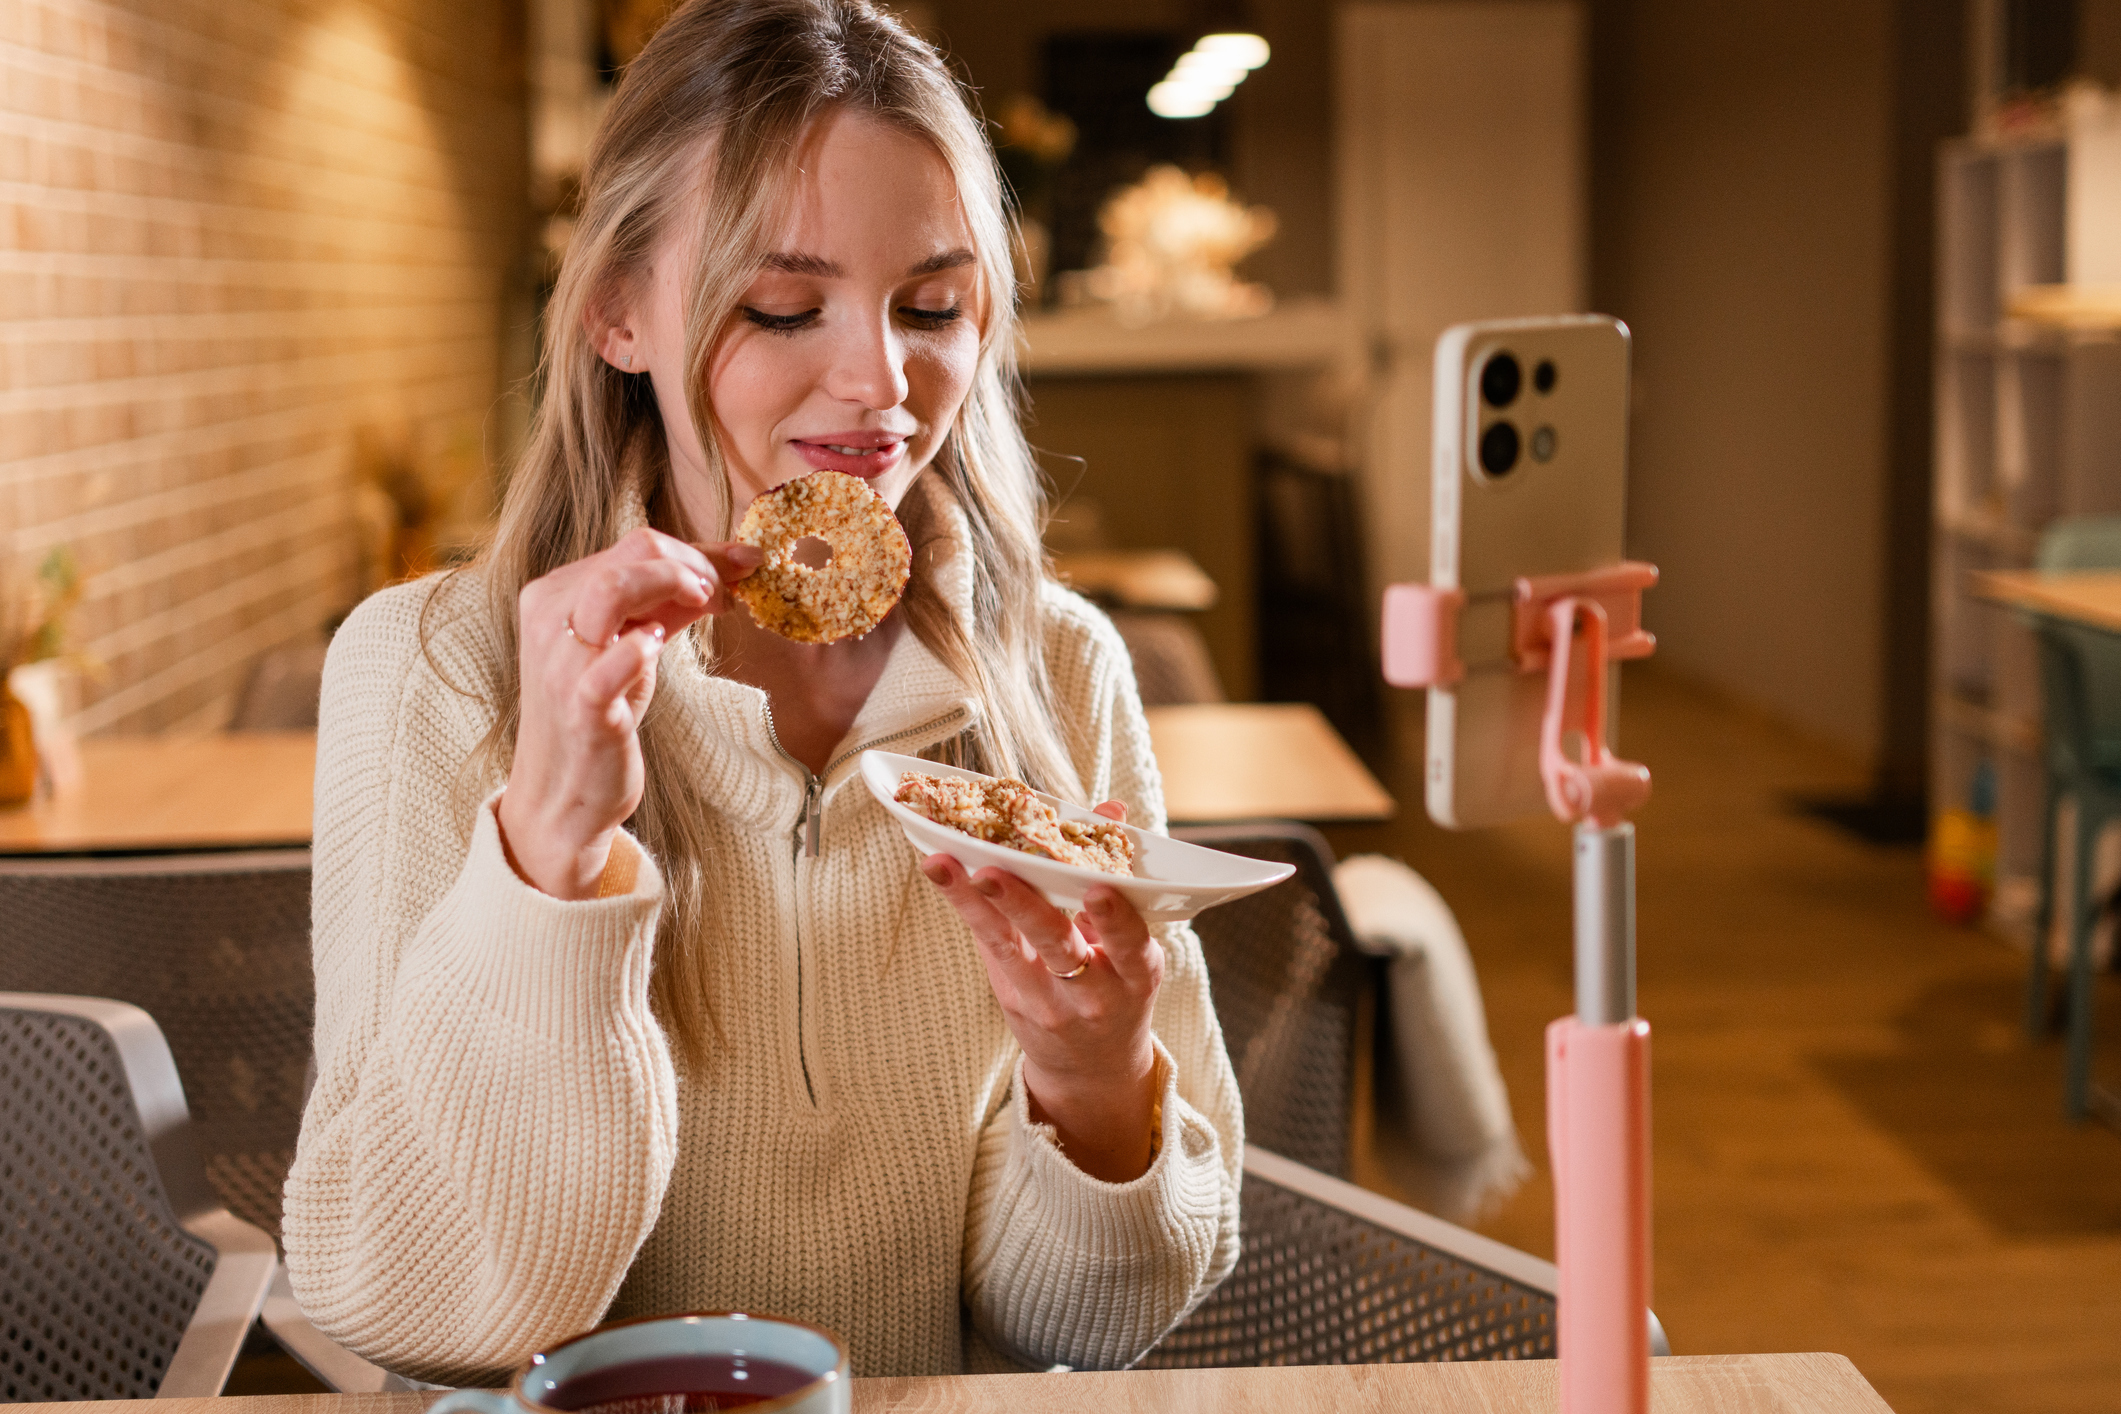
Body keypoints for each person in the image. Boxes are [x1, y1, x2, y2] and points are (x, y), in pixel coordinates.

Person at [282, 0, 1242, 1385]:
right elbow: (411, 1307)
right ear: (617, 309)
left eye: (931, 306)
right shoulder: (429, 666)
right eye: (783, 306)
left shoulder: (1059, 672)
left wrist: (1092, 1093)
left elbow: (1086, 1326)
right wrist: (547, 851)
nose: (882, 384)